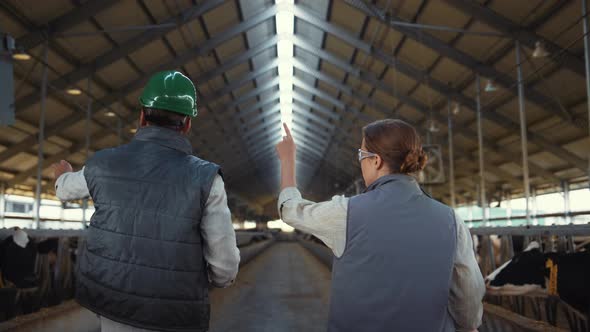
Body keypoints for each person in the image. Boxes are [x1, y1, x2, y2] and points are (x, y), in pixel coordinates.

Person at [52, 71, 240, 332]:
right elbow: (225, 265)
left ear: (141, 116)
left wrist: (62, 175)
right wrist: (209, 281)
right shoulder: (206, 178)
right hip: (173, 313)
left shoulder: (103, 163)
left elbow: (64, 190)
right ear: (187, 124)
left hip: (112, 304)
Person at [275, 120, 485, 332]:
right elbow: (469, 294)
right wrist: (469, 326)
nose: (360, 163)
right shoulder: (451, 220)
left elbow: (290, 209)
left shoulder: (346, 213)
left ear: (376, 160)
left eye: (361, 156)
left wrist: (288, 159)